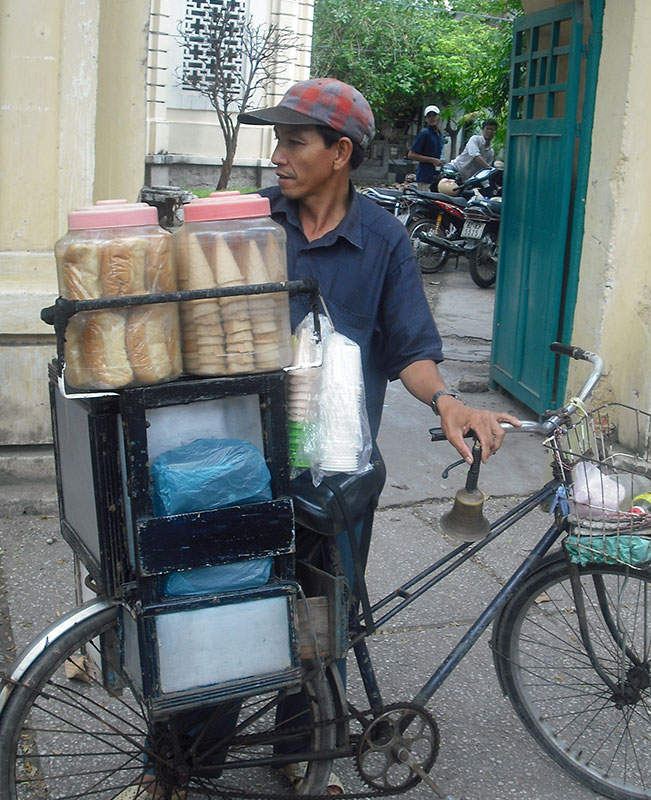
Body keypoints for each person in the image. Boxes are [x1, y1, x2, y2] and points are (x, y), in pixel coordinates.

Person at [116, 79, 519, 799]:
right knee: (216, 610)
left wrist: (451, 402)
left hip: (335, 469)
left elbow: (410, 351)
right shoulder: (242, 226)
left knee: (319, 617)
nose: (278, 156)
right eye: (277, 140)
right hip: (231, 467)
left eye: (294, 141)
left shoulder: (384, 242)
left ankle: (300, 747)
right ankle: (177, 761)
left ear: (340, 153)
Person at [407, 104, 444, 190]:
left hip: (435, 176)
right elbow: (411, 155)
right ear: (426, 119)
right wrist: (432, 160)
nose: (432, 118)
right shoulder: (424, 134)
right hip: (425, 176)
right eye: (429, 116)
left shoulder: (439, 134)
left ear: (439, 117)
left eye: (434, 115)